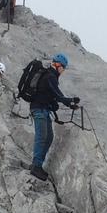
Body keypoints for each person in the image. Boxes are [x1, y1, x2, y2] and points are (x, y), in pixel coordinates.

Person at [28, 53, 79, 181]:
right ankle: (36, 166)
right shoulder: (50, 77)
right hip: (39, 109)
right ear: (58, 65)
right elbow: (58, 95)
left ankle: (37, 163)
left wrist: (67, 104)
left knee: (49, 137)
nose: (64, 70)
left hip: (43, 109)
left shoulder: (50, 76)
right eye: (63, 67)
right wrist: (71, 101)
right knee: (42, 137)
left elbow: (53, 95)